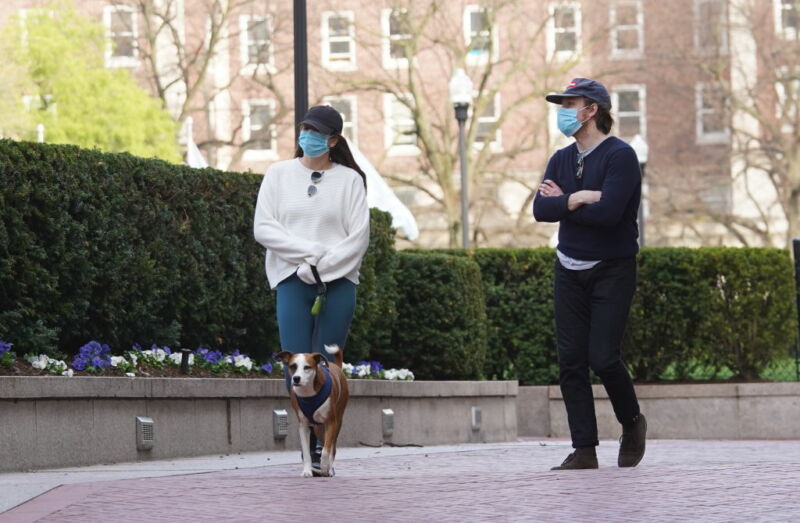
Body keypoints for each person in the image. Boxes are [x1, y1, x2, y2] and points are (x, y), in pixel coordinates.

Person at [533, 78, 647, 470]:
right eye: (560, 104)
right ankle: (584, 449)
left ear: (592, 109)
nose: (563, 111)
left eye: (570, 103)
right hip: (568, 267)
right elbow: (539, 210)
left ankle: (632, 423)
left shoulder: (620, 156)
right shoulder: (561, 159)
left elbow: (611, 213)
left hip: (612, 268)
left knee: (603, 356)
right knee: (570, 362)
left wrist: (562, 203)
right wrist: (579, 197)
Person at [253, 105, 370, 474]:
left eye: (318, 132)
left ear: (333, 140)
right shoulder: (278, 174)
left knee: (328, 368)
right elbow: (264, 228)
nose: (309, 137)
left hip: (338, 283)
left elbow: (358, 238)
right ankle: (311, 451)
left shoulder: (350, 180)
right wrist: (306, 259)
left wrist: (321, 266)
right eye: (305, 129)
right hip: (291, 279)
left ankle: (325, 447)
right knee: (298, 367)